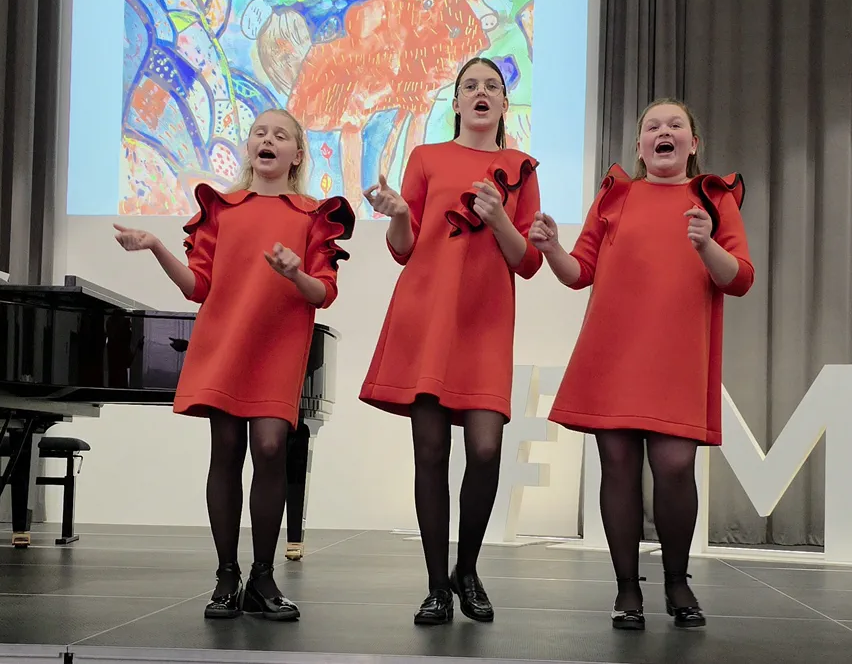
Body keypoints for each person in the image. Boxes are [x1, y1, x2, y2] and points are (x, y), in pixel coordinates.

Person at [113, 108, 355, 621]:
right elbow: (197, 286)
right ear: (249, 147)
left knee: (270, 447)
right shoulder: (221, 209)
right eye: (259, 133)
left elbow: (323, 293)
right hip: (223, 341)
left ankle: (262, 578)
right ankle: (227, 575)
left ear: (297, 154)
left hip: (279, 345)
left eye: (280, 135)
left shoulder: (313, 216)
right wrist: (155, 246)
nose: (268, 140)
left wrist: (294, 273)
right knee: (225, 449)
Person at [528, 98, 753, 630]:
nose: (663, 131)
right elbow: (578, 272)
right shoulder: (617, 195)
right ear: (640, 145)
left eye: (675, 125)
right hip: (614, 351)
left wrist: (705, 244)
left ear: (693, 144)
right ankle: (627, 589)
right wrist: (553, 247)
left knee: (675, 467)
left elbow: (740, 278)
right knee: (619, 469)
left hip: (677, 354)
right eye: (653, 126)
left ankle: (677, 581)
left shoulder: (713, 197)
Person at [359, 57, 542, 626]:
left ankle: (468, 569)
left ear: (504, 104)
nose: (481, 93)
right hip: (428, 313)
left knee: (485, 449)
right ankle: (437, 585)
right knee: (431, 453)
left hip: (485, 318)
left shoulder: (520, 168)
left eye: (492, 86)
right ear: (456, 102)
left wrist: (499, 219)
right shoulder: (426, 157)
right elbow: (403, 248)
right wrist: (397, 214)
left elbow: (528, 262)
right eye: (470, 86)